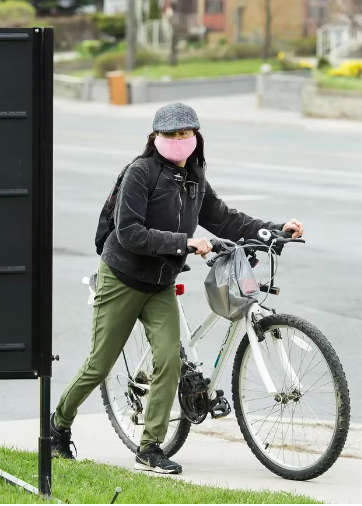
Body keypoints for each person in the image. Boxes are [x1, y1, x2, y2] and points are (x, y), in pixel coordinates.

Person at [50, 102, 304, 474]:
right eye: (169, 134)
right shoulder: (140, 172)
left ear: (196, 137)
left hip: (160, 284)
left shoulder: (195, 176)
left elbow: (223, 217)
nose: (178, 140)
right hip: (121, 278)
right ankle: (58, 426)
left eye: (185, 133)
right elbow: (129, 232)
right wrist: (184, 243)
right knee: (99, 364)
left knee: (168, 360)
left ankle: (150, 447)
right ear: (155, 138)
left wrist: (275, 229)